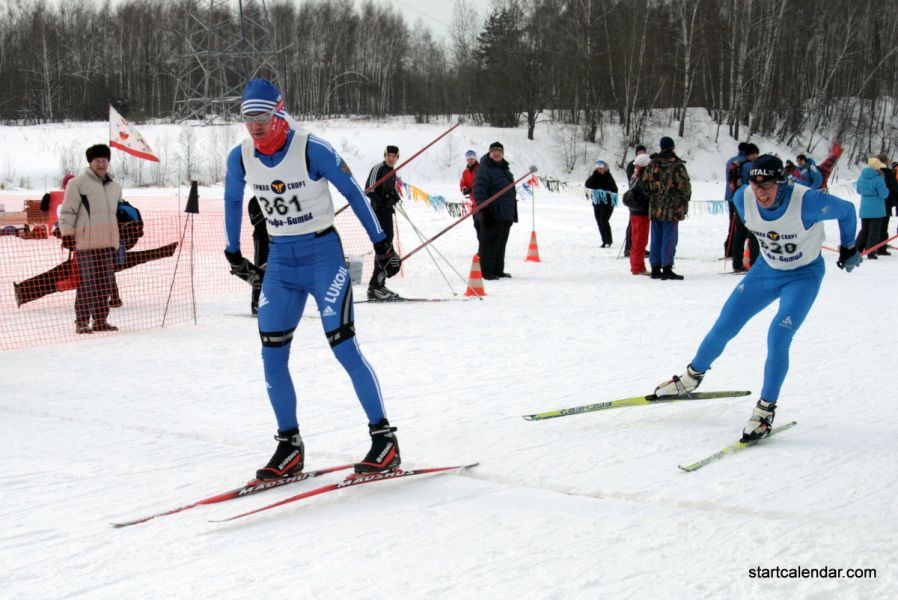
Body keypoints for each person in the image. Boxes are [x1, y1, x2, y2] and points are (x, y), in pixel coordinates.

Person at [223, 79, 401, 480]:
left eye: (263, 116)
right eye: (248, 118)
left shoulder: (311, 147)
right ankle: (289, 445)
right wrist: (232, 251)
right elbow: (233, 200)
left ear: (279, 112)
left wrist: (381, 244)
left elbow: (355, 193)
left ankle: (385, 439)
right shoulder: (241, 157)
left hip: (323, 258)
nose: (255, 126)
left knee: (344, 348)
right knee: (271, 354)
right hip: (282, 264)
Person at [653, 154, 860, 442]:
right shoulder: (742, 197)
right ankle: (690, 378)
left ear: (783, 183)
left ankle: (765, 411)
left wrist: (849, 246)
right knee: (725, 325)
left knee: (778, 335)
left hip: (803, 277)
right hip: (765, 271)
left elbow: (848, 210)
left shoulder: (808, 201)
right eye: (755, 185)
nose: (761, 193)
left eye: (768, 186)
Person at [58, 144, 121, 334]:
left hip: (108, 243)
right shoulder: (77, 184)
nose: (101, 164)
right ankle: (82, 322)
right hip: (86, 243)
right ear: (90, 163)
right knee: (88, 283)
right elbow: (67, 211)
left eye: (104, 160)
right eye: (97, 161)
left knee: (105, 282)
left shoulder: (115, 187)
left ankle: (100, 320)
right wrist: (67, 234)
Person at [642, 136, 691, 280]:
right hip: (672, 207)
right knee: (669, 237)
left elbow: (644, 184)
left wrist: (653, 197)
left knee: (656, 237)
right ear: (673, 147)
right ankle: (667, 267)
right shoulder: (677, 165)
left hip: (656, 206)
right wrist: (684, 200)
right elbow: (685, 187)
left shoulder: (652, 164)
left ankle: (655, 267)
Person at [473, 141, 517, 280]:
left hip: (505, 213)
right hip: (491, 213)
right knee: (489, 243)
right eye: (494, 151)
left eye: (499, 151)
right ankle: (486, 271)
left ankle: (498, 270)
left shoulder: (505, 169)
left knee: (501, 243)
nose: (497, 154)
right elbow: (479, 191)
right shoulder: (484, 168)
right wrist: (484, 210)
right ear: (490, 153)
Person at [366, 145, 403, 300]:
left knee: (386, 248)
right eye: (388, 155)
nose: (391, 158)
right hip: (378, 214)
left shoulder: (392, 171)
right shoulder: (378, 169)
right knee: (383, 248)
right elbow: (369, 189)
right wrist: (382, 201)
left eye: (394, 156)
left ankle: (379, 285)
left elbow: (389, 190)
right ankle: (375, 287)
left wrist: (394, 196)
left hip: (387, 214)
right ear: (384, 155)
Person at [730, 143, 761, 272]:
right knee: (753, 232)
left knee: (740, 232)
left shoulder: (739, 165)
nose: (755, 156)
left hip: (737, 198)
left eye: (756, 154)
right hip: (748, 199)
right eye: (753, 154)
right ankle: (754, 264)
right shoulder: (751, 166)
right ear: (748, 155)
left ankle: (737, 263)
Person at [854, 157, 889, 259]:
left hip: (865, 206)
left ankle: (856, 250)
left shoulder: (862, 177)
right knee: (874, 232)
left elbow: (859, 190)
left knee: (864, 230)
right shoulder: (879, 179)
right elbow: (883, 194)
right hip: (877, 208)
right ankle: (871, 252)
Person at [623, 153, 652, 274]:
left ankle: (635, 265)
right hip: (642, 213)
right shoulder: (644, 178)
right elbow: (648, 194)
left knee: (636, 239)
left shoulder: (634, 176)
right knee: (640, 240)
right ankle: (638, 267)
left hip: (634, 212)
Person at [585, 160, 618, 247]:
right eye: (598, 168)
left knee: (604, 221)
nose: (600, 170)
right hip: (597, 203)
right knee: (599, 222)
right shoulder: (595, 176)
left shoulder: (608, 177)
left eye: (601, 168)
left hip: (607, 204)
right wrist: (594, 175)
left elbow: (614, 189)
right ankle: (604, 241)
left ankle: (608, 241)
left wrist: (605, 193)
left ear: (605, 168)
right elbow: (587, 184)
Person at [723, 142, 748, 258]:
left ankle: (729, 248)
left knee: (732, 222)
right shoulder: (746, 163)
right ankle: (735, 249)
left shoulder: (730, 161)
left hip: (730, 195)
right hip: (741, 196)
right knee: (741, 223)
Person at [624, 145, 647, 257]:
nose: (641, 153)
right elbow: (633, 180)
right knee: (632, 224)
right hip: (634, 198)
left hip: (641, 199)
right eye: (640, 151)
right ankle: (629, 247)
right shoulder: (632, 165)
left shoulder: (647, 165)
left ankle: (639, 247)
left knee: (640, 227)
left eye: (643, 151)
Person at [876, 154, 897, 255]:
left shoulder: (871, 172)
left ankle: (870, 246)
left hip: (872, 204)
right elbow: (894, 186)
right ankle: (881, 248)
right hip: (885, 202)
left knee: (872, 227)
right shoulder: (888, 173)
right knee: (883, 227)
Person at [459, 149, 480, 241]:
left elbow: (485, 183)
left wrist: (473, 188)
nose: (470, 160)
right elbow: (462, 183)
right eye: (468, 159)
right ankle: (482, 248)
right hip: (474, 203)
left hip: (484, 201)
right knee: (477, 226)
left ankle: (486, 249)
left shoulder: (481, 169)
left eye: (472, 158)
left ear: (475, 158)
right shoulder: (465, 172)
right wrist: (464, 189)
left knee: (485, 226)